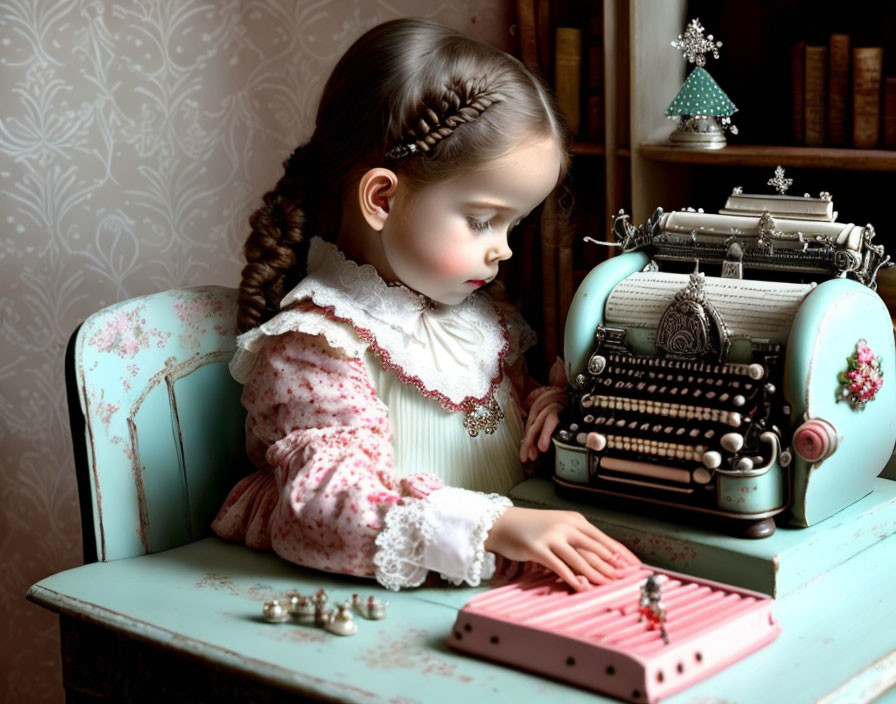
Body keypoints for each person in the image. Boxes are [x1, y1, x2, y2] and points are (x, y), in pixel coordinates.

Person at [212, 17, 639, 592]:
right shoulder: (319, 342)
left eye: (514, 223)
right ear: (382, 198)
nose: (504, 249)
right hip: (376, 601)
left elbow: (493, 427)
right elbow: (326, 507)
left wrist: (547, 410)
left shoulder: (477, 318)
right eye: (483, 220)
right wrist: (496, 526)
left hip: (489, 592)